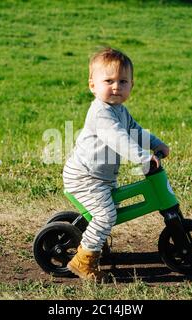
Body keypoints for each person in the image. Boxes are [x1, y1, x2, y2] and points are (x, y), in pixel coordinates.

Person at [63, 47, 170, 282]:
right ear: (93, 85)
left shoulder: (120, 110)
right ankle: (84, 260)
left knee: (107, 209)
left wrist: (156, 144)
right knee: (106, 215)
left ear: (132, 85)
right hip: (85, 177)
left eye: (123, 81)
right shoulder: (101, 113)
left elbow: (135, 132)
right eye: (109, 81)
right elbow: (119, 140)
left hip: (99, 176)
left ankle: (94, 241)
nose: (116, 87)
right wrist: (143, 157)